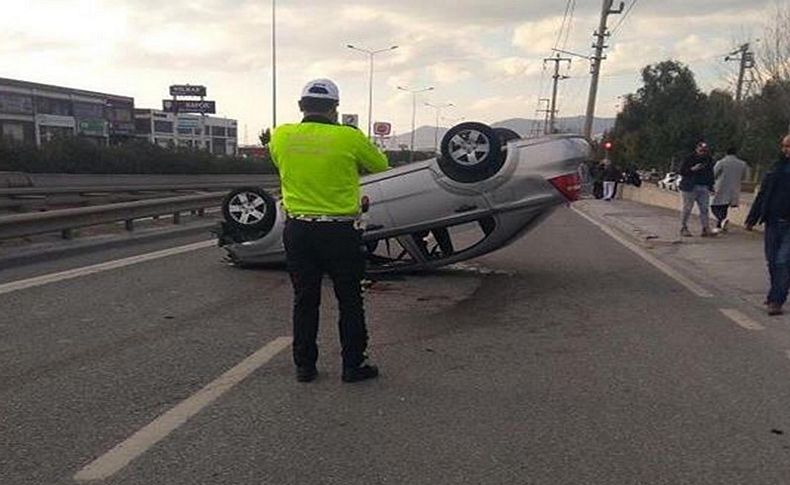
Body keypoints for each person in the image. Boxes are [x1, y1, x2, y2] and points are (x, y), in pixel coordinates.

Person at [269, 79, 390, 382]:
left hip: (298, 230)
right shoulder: (348, 138)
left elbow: (279, 164)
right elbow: (381, 165)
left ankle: (304, 367)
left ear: (301, 106)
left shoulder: (281, 135)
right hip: (340, 232)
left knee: (305, 299)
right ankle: (352, 365)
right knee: (349, 298)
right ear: (335, 109)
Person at [745, 134, 790, 316]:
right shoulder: (776, 168)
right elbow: (763, 194)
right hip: (772, 221)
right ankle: (777, 290)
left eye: (789, 146)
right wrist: (752, 218)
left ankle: (776, 300)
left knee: (782, 261)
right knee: (772, 261)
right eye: (785, 146)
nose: (786, 150)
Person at [679, 141, 716, 237]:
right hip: (690, 187)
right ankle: (683, 227)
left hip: (703, 186)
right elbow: (682, 171)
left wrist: (711, 186)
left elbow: (710, 174)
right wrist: (692, 169)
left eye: (704, 151)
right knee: (687, 208)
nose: (702, 152)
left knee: (704, 209)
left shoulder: (708, 160)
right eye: (701, 150)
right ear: (697, 149)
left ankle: (705, 228)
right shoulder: (689, 158)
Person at [711, 147, 751, 233]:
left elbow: (713, 174)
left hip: (721, 187)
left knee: (714, 206)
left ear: (726, 153)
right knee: (724, 207)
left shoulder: (721, 162)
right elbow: (746, 177)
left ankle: (721, 220)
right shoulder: (742, 164)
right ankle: (720, 225)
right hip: (734, 189)